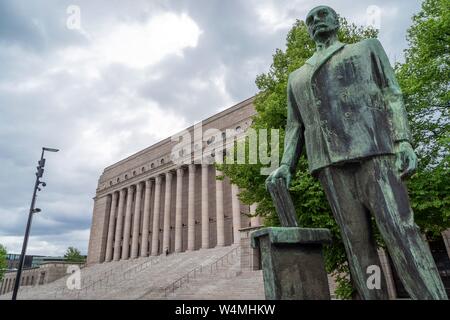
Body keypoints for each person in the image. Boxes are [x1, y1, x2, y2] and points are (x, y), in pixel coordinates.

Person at [266, 5, 447, 300]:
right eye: (310, 20)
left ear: (337, 21)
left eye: (322, 15)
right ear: (307, 30)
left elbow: (392, 92)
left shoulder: (367, 48)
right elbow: (294, 126)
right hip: (329, 164)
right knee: (358, 246)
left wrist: (403, 140)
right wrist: (286, 164)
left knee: (402, 233)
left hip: (373, 152)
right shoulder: (296, 77)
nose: (316, 22)